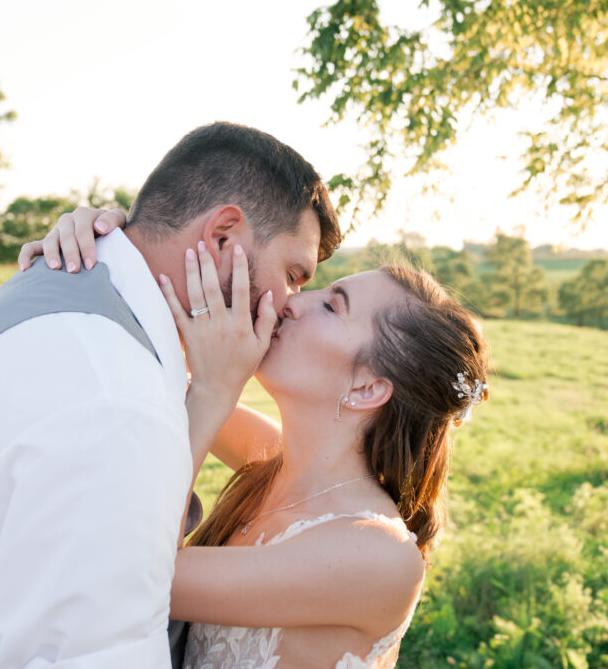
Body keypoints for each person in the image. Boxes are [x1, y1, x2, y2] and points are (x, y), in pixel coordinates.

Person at [0, 122, 341, 669]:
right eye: (293, 274)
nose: (291, 302)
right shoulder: (115, 400)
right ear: (223, 239)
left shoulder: (74, 292)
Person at [28, 209, 490, 667]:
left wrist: (215, 390)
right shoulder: (277, 463)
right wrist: (111, 245)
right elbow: (159, 370)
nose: (292, 300)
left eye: (331, 305)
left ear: (367, 388)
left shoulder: (377, 556)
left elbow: (123, 578)